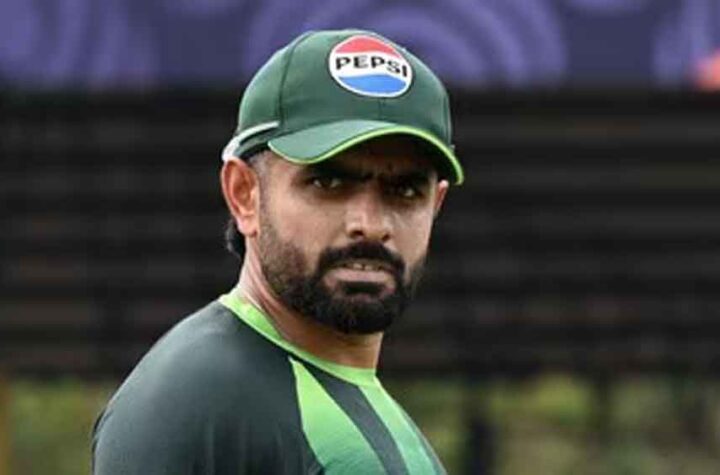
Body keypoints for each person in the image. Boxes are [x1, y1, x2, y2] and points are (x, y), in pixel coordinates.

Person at [92, 28, 464, 474]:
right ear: (244, 194)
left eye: (404, 191)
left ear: (436, 205)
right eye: (328, 182)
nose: (370, 223)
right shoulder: (198, 401)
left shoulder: (365, 408)